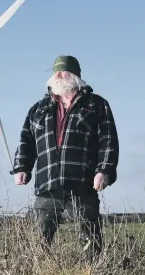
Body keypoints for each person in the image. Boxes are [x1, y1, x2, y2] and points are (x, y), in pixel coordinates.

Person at [10, 55, 119, 257]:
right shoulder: (38, 109)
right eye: (56, 72)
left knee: (90, 238)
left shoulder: (96, 105)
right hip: (47, 184)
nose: (59, 75)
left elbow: (108, 141)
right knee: (40, 239)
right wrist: (21, 167)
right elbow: (26, 140)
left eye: (64, 71)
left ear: (76, 76)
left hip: (83, 183)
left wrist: (104, 171)